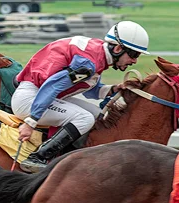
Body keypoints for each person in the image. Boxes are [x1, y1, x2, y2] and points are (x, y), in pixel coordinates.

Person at [15, 21, 149, 173]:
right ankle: (38, 157)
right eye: (133, 54)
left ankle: (65, 154)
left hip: (42, 95)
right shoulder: (88, 63)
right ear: (118, 49)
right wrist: (31, 122)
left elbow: (89, 89)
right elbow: (52, 86)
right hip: (31, 99)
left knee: (96, 114)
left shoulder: (97, 55)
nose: (135, 61)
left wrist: (113, 89)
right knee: (84, 118)